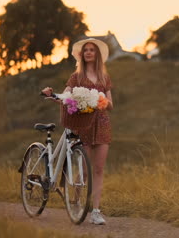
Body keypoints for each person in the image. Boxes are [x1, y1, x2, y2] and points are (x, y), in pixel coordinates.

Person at [42, 38, 113, 225]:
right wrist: (53, 95)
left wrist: (102, 101)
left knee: (98, 169)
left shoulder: (105, 78)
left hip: (102, 123)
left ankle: (96, 211)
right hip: (84, 124)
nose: (89, 52)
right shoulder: (76, 77)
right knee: (85, 170)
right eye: (86, 50)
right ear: (82, 55)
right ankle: (77, 203)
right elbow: (66, 96)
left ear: (97, 54)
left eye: (92, 50)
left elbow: (111, 104)